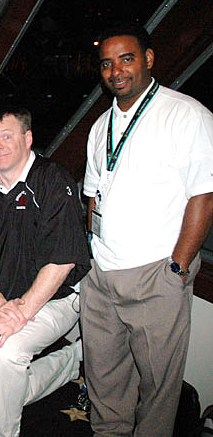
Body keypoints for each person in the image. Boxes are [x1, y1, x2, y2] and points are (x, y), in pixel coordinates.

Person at [82, 22, 213, 436]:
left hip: (156, 275)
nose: (116, 71)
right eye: (107, 63)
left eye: (126, 59)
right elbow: (93, 197)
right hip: (102, 276)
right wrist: (91, 257)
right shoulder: (100, 126)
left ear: (149, 59)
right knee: (104, 384)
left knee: (158, 391)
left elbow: (204, 196)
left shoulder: (186, 115)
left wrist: (177, 268)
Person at [0, 107, 90, 437]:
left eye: (6, 136)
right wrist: (1, 306)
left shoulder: (53, 180)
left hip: (58, 298)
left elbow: (62, 261)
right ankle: (72, 361)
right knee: (9, 385)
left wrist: (20, 314)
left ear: (28, 139)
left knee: (3, 352)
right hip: (6, 303)